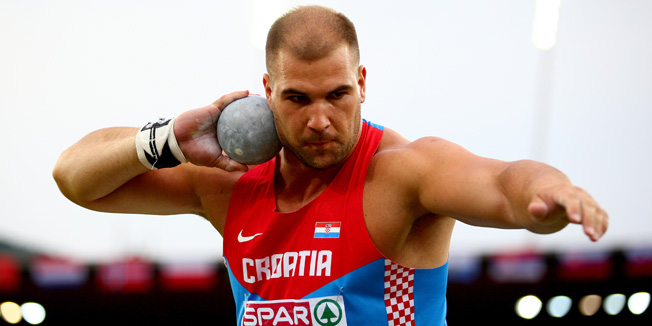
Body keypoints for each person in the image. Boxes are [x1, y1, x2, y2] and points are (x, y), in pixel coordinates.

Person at [53, 5, 607, 326]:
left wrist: (553, 191)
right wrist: (167, 140)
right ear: (268, 91)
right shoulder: (228, 181)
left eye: (337, 95)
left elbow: (504, 183)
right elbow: (74, 178)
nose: (320, 120)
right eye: (297, 99)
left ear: (362, 83)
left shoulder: (401, 174)